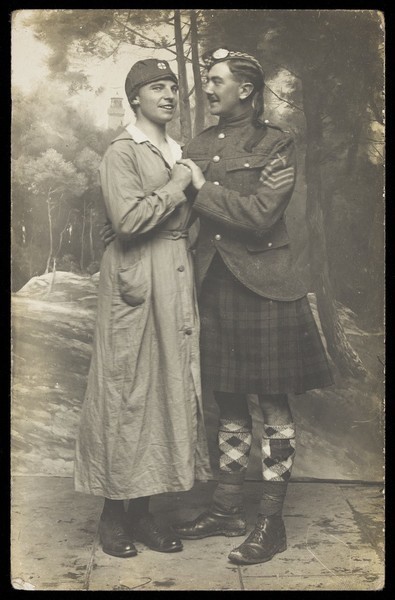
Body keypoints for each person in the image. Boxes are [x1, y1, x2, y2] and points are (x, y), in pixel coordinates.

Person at [172, 47, 334, 565]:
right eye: (207, 80)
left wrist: (200, 185)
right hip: (213, 286)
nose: (208, 88)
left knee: (272, 407)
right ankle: (226, 509)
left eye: (216, 80)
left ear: (245, 89)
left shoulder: (277, 142)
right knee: (228, 405)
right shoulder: (198, 142)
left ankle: (270, 521)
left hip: (265, 285)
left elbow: (262, 216)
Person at [74, 58, 211, 559]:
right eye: (157, 87)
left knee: (164, 390)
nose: (169, 95)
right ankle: (113, 516)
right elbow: (129, 221)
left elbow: (183, 224)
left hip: (174, 276)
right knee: (125, 390)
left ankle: (144, 514)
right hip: (134, 279)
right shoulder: (123, 150)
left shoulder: (178, 150)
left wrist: (184, 198)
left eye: (174, 87)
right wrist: (178, 186)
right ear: (135, 97)